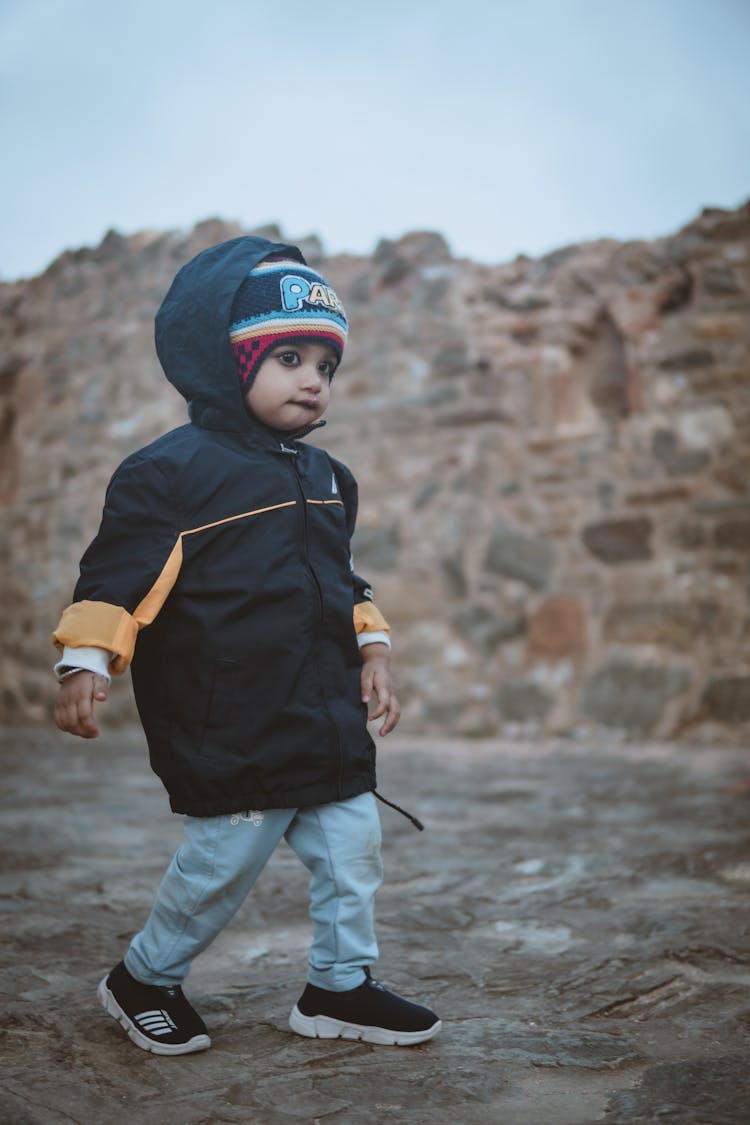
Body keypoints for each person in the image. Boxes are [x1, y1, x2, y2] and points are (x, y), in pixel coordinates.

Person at [52, 236, 441, 1056]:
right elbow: (120, 574)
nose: (313, 380)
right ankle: (145, 976)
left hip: (323, 713)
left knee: (352, 849)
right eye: (289, 356)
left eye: (326, 366)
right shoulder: (172, 472)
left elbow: (340, 579)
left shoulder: (329, 475)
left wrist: (374, 650)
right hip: (230, 715)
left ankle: (339, 985)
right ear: (228, 363)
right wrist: (87, 660)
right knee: (222, 862)